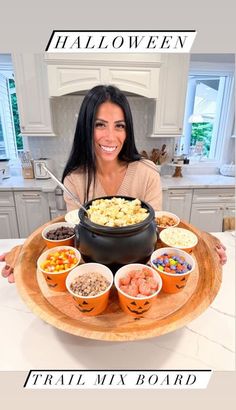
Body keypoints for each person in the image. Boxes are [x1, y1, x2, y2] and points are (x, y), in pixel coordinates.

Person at [0, 84, 227, 282]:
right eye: (100, 124)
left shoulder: (147, 173)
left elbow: (157, 230)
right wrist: (28, 252)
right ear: (86, 129)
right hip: (94, 269)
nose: (111, 136)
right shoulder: (74, 180)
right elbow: (71, 235)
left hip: (139, 267)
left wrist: (199, 240)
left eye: (119, 125)